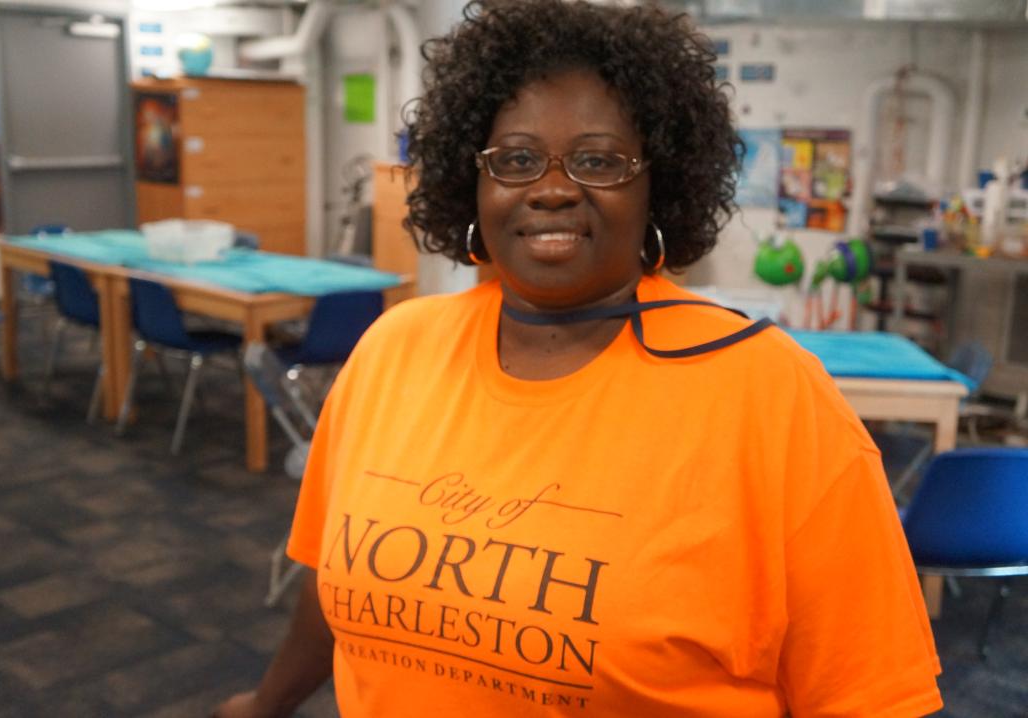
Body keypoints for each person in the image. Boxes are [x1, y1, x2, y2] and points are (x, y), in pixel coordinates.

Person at [215, 1, 943, 715]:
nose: (554, 188)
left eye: (598, 161)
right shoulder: (391, 351)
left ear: (660, 186)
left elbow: (871, 695)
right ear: (473, 183)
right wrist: (264, 704)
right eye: (517, 159)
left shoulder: (773, 397)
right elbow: (328, 580)